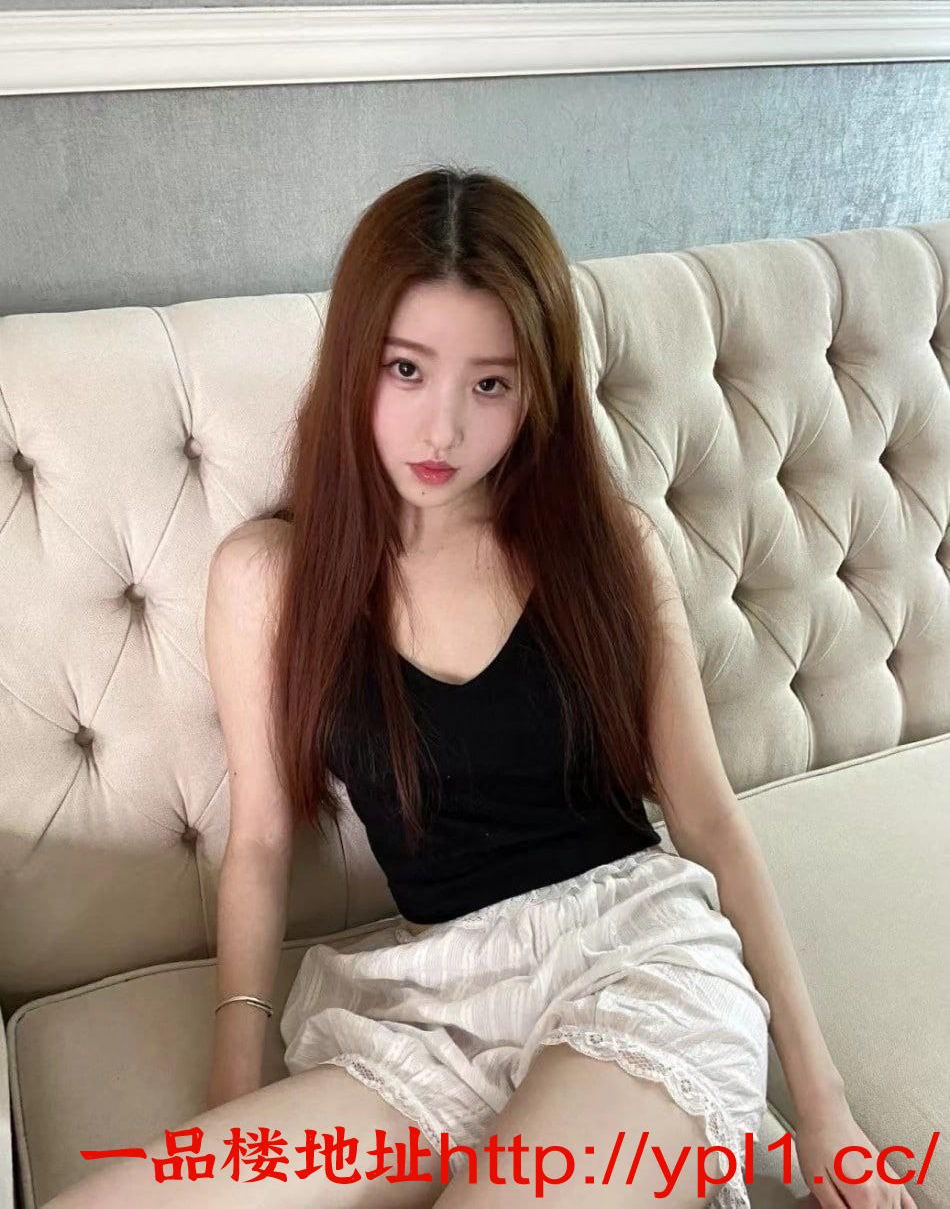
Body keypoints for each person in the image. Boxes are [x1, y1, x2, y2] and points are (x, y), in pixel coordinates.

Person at [46, 167, 914, 1209]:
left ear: (536, 389)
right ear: (354, 361)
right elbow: (264, 839)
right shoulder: (270, 578)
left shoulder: (605, 548)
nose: (441, 431)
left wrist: (821, 1107)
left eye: (489, 385)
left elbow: (708, 818)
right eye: (406, 369)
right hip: (430, 1003)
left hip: (636, 961)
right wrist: (237, 1064)